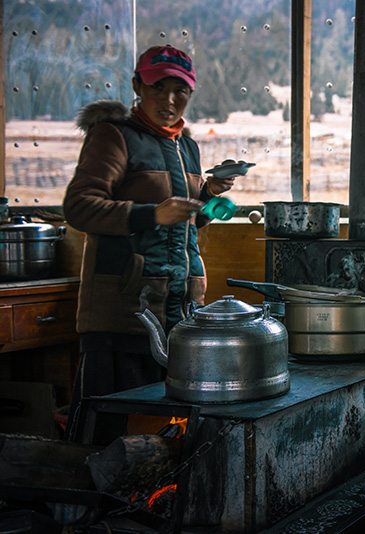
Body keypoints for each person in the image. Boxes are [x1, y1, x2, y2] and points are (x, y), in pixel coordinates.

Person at [62, 45, 237, 439]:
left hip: (178, 311)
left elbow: (184, 224)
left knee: (165, 433)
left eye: (181, 90)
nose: (170, 100)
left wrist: (208, 198)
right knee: (109, 431)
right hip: (125, 309)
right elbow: (79, 207)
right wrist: (151, 213)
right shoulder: (114, 136)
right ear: (138, 85)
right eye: (159, 87)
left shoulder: (186, 146)